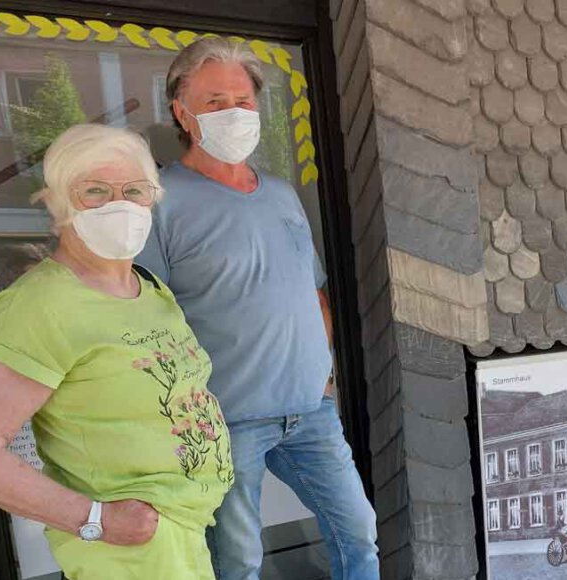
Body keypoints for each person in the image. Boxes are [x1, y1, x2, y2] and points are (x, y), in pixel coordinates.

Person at [136, 37, 379, 580]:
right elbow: (147, 315)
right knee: (237, 562)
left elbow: (312, 290)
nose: (234, 113)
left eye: (243, 101)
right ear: (181, 110)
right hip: (228, 421)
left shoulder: (280, 194)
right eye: (215, 101)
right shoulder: (161, 202)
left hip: (311, 412)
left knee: (358, 533)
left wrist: (326, 375)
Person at [0, 124, 232, 578]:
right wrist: (96, 520)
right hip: (130, 553)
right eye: (94, 190)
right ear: (59, 202)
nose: (119, 203)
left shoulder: (148, 285)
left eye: (134, 189)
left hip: (185, 531)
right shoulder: (41, 306)